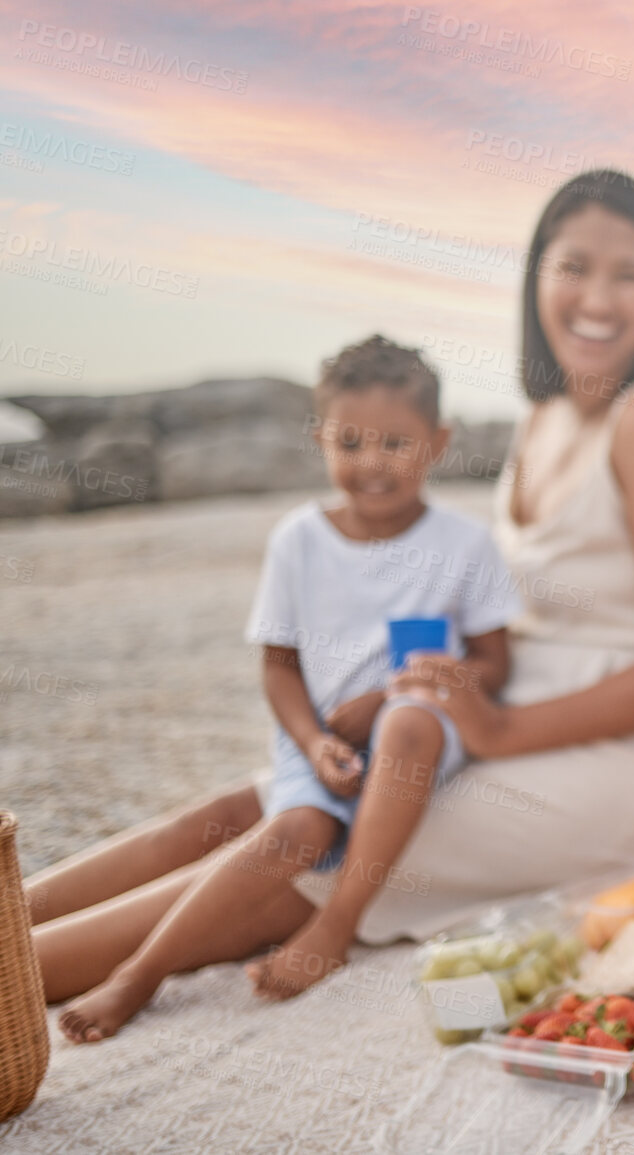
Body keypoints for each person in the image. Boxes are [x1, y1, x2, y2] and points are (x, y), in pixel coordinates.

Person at [28, 170, 634, 1004]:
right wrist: (413, 686)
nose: (598, 298)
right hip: (512, 707)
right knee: (236, 809)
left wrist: (503, 728)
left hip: (633, 749)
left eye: (629, 274)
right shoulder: (547, 416)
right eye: (574, 266)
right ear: (537, 275)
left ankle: (22, 974)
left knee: (305, 853)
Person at [45, 336, 519, 1040]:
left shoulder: (464, 544)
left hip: (417, 743)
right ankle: (137, 972)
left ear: (439, 441)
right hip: (316, 744)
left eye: (396, 442)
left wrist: (416, 685)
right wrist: (315, 741)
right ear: (319, 437)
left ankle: (324, 929)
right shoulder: (299, 540)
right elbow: (279, 666)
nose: (371, 462)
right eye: (350, 441)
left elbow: (493, 661)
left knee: (410, 718)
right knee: (296, 826)